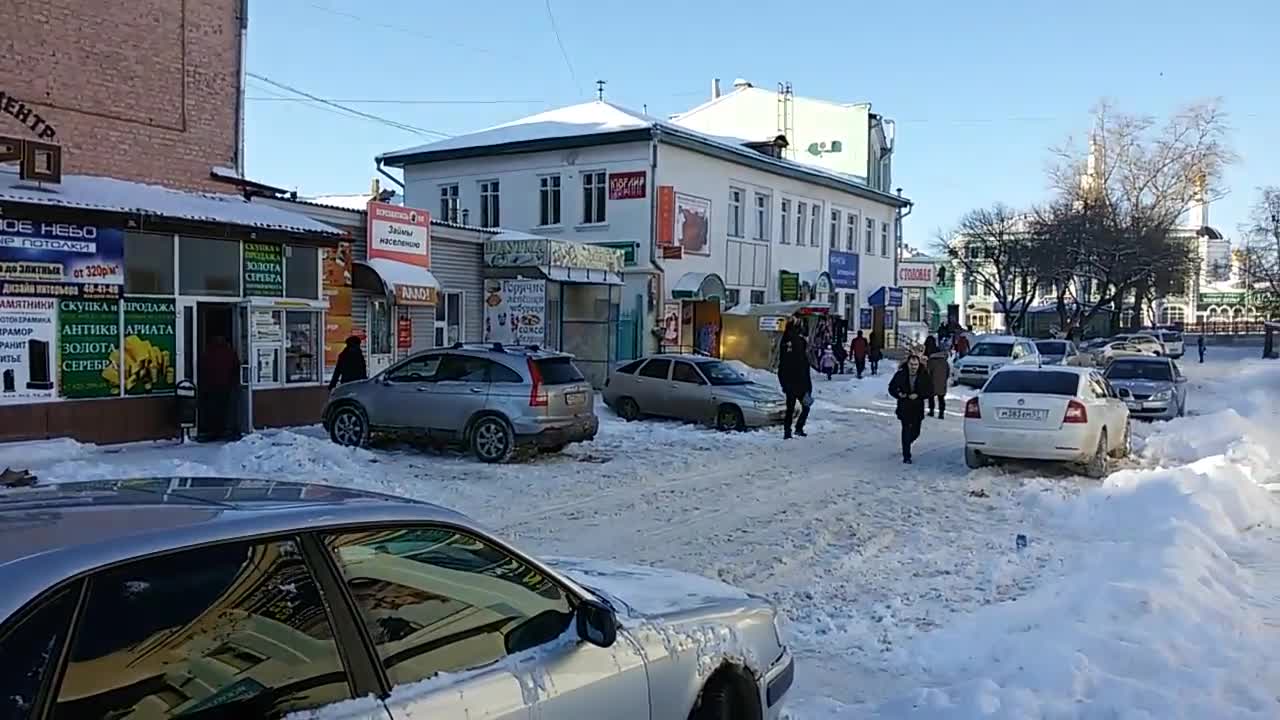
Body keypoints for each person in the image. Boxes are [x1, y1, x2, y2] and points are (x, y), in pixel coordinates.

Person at [889, 354, 932, 463]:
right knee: (906, 430)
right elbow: (891, 388)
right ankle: (906, 455)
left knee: (916, 431)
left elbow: (930, 390)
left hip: (917, 407)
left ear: (919, 365)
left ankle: (907, 443)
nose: (913, 367)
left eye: (916, 365)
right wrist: (899, 394)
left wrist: (919, 395)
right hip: (905, 406)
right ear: (907, 364)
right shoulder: (901, 374)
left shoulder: (924, 374)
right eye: (911, 364)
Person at [199, 335, 240, 442]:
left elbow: (203, 368)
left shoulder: (209, 352)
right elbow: (236, 367)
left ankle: (214, 431)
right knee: (225, 409)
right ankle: (225, 430)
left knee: (213, 410)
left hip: (212, 386)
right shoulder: (229, 352)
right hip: (225, 386)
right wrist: (233, 382)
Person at [778, 323, 813, 439]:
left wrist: (783, 384)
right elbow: (805, 372)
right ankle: (798, 428)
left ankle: (788, 431)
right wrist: (808, 387)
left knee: (791, 409)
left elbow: (781, 369)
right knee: (805, 407)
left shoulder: (785, 345)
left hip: (791, 385)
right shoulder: (800, 354)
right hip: (800, 385)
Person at [924, 336, 951, 418]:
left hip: (932, 381)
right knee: (941, 397)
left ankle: (932, 411)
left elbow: (928, 372)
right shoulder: (944, 361)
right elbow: (948, 372)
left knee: (931, 396)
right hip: (942, 382)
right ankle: (941, 413)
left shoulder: (931, 361)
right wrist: (944, 379)